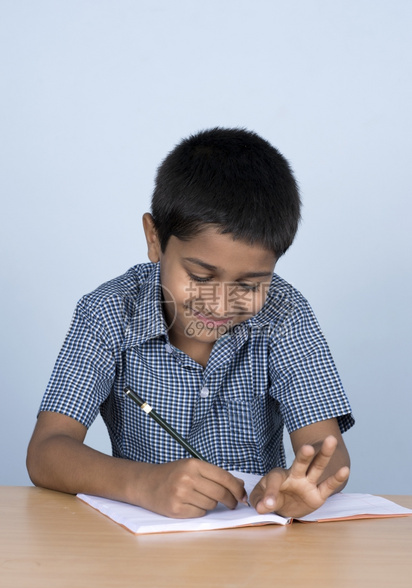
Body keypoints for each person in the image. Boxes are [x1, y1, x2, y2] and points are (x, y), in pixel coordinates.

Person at [27, 127, 354, 519]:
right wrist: (142, 483)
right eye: (200, 277)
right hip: (137, 555)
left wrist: (298, 483)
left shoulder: (286, 315)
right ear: (155, 239)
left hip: (256, 555)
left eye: (250, 284)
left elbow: (326, 450)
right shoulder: (108, 312)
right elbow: (47, 450)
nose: (219, 304)